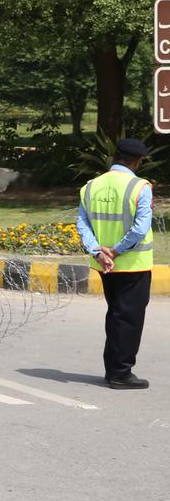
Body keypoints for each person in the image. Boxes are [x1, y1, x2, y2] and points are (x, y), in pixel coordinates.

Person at [76, 137, 155, 390]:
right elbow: (140, 228)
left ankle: (113, 369)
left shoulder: (90, 186)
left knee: (116, 314)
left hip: (104, 265)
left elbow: (83, 224)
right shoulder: (140, 187)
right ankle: (120, 373)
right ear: (137, 161)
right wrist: (117, 251)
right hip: (133, 264)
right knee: (128, 318)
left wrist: (98, 252)